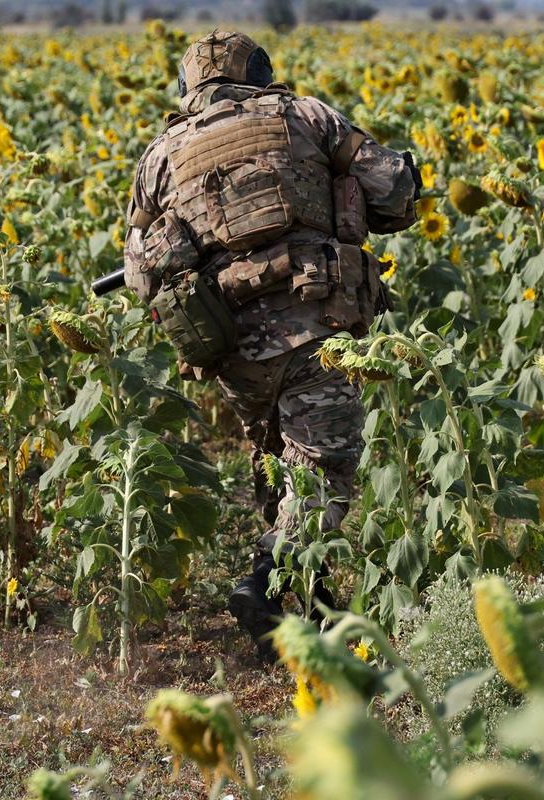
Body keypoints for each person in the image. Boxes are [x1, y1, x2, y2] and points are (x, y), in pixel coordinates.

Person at [123, 30, 420, 660]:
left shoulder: (161, 155)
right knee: (325, 468)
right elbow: (393, 193)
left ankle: (310, 606)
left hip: (233, 346)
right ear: (259, 71)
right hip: (315, 323)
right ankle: (260, 585)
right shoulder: (305, 115)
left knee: (278, 464)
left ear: (189, 86)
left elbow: (141, 274)